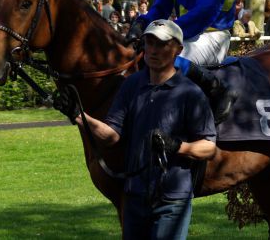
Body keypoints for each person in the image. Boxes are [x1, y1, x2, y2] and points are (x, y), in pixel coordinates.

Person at [60, 19, 216, 240]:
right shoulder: (131, 85)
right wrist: (78, 115)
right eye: (149, 43)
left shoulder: (191, 94)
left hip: (172, 199)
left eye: (162, 44)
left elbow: (209, 148)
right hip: (134, 195)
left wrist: (177, 146)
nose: (153, 50)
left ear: (178, 50)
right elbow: (112, 136)